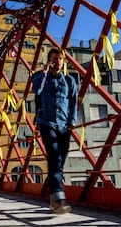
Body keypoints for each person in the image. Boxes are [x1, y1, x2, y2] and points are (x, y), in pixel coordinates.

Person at [32, 48, 77, 214]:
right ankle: (59, 199)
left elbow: (73, 102)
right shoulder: (40, 77)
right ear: (49, 61)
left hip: (64, 125)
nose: (58, 61)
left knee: (59, 161)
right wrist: (44, 72)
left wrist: (72, 121)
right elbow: (36, 90)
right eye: (54, 58)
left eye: (60, 58)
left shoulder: (69, 80)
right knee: (55, 157)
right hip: (47, 122)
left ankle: (53, 199)